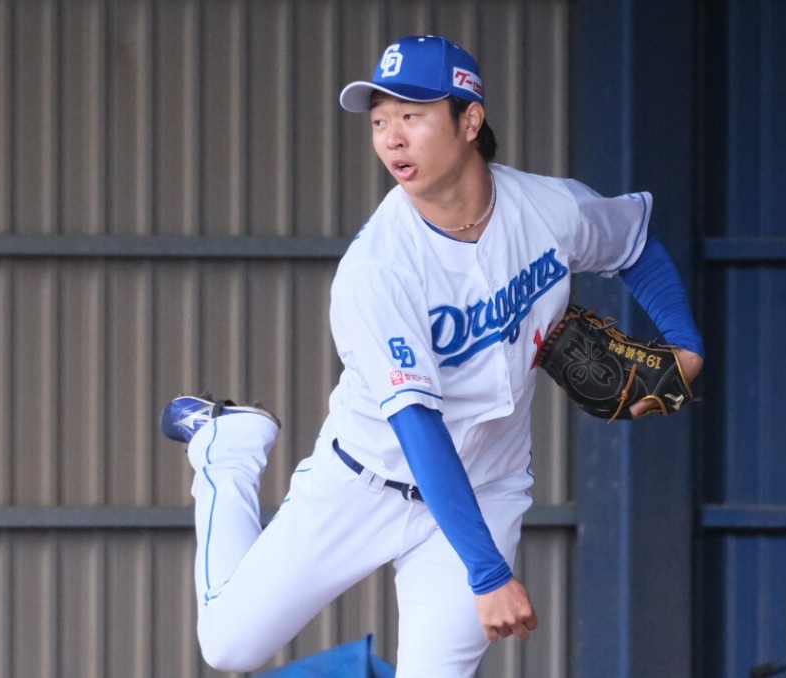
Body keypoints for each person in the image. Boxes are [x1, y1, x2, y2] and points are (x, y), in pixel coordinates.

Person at [159, 34, 704, 676]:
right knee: (229, 647)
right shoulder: (378, 269)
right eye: (380, 120)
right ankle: (230, 449)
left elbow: (632, 243)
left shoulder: (549, 210)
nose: (391, 138)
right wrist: (488, 570)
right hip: (362, 480)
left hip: (485, 489)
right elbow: (418, 427)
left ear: (469, 120)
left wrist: (685, 344)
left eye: (412, 117)